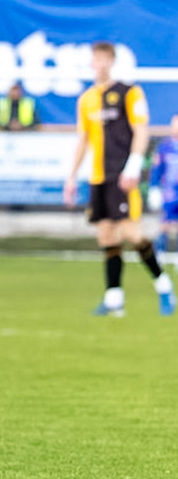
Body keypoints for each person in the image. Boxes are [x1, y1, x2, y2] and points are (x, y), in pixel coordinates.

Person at [64, 41, 174, 317]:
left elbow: (141, 130)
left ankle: (163, 284)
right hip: (98, 177)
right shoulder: (86, 99)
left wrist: (133, 167)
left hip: (122, 174)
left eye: (104, 59)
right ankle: (114, 299)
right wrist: (72, 176)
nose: (99, 64)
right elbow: (83, 139)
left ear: (111, 61)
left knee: (131, 233)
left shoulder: (129, 92)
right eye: (95, 59)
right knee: (106, 234)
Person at [148, 115, 178, 256]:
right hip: (169, 191)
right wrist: (154, 187)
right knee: (165, 223)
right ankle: (160, 253)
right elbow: (157, 169)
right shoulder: (165, 146)